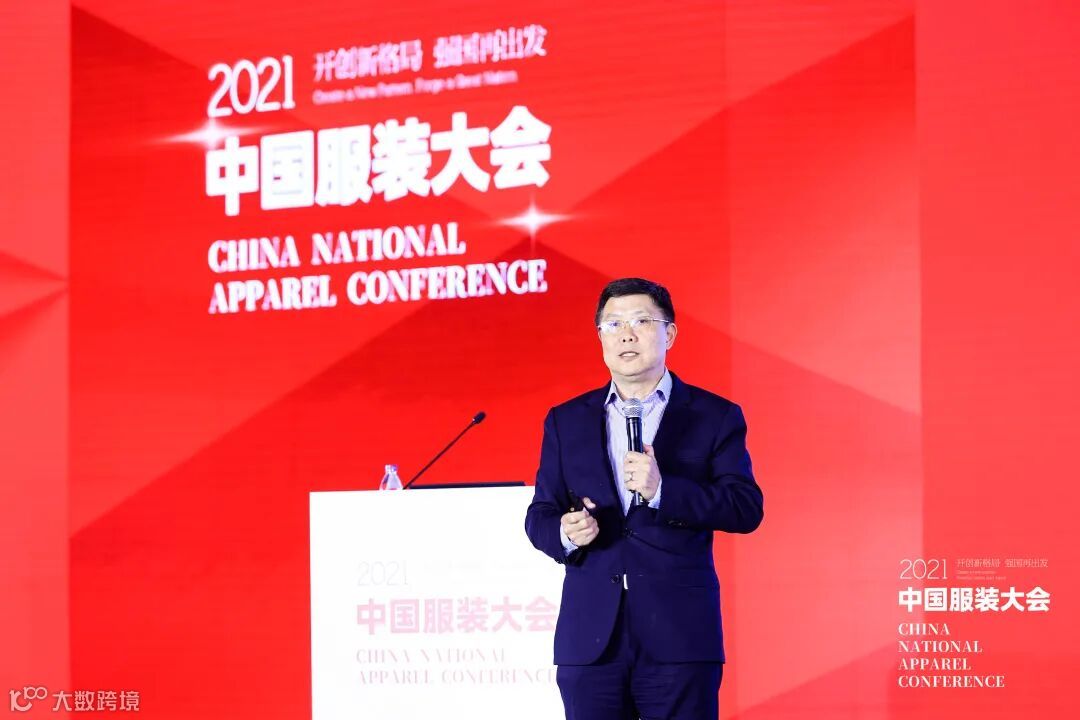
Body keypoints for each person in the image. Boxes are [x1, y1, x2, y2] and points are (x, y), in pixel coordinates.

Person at [525, 277, 764, 720]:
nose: (626, 334)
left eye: (641, 321)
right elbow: (540, 514)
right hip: (591, 639)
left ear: (669, 334)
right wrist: (566, 533)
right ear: (600, 337)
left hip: (679, 636)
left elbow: (745, 507)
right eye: (613, 324)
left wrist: (663, 491)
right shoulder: (565, 420)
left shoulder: (714, 415)